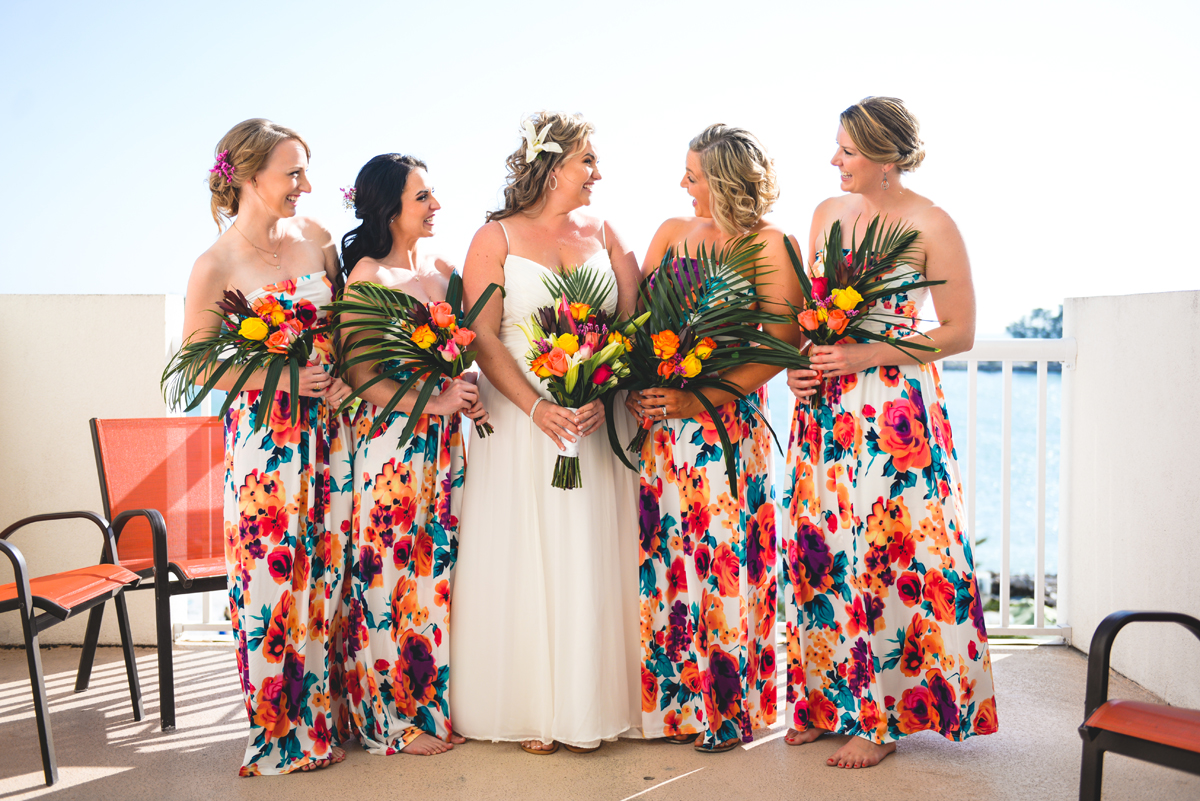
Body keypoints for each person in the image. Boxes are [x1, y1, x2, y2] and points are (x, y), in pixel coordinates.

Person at [781, 97, 997, 769]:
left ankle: (880, 718)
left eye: (846, 149)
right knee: (821, 548)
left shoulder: (932, 222)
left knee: (884, 551)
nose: (834, 160)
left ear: (883, 155)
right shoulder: (825, 214)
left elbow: (957, 331)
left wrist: (866, 354)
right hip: (824, 408)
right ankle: (825, 702)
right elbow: (809, 314)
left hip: (892, 409)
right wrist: (799, 367)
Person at [450, 111, 642, 755]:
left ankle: (592, 700)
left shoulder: (607, 230)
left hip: (594, 417)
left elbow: (632, 326)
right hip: (522, 417)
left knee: (591, 546)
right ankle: (534, 705)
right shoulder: (494, 237)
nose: (597, 172)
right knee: (527, 550)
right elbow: (481, 336)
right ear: (553, 165)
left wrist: (602, 388)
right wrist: (538, 408)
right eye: (588, 160)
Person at [182, 119, 353, 775]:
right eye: (292, 173)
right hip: (264, 444)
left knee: (322, 574)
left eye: (305, 171)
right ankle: (275, 735)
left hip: (325, 435)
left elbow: (335, 329)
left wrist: (332, 377)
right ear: (250, 177)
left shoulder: (315, 240)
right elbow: (199, 367)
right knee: (269, 583)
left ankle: (317, 726)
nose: (305, 186)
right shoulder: (215, 265)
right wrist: (282, 375)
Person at [630, 124, 804, 752]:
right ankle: (676, 707)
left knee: (725, 561)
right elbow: (638, 325)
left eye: (693, 174)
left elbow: (779, 345)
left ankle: (730, 710)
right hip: (661, 434)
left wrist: (698, 398)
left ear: (726, 180)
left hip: (726, 430)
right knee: (669, 561)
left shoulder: (772, 246)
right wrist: (634, 384)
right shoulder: (672, 234)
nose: (683, 184)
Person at [338, 154, 489, 755]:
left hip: (447, 447)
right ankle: (387, 723)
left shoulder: (447, 271)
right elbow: (362, 375)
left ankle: (430, 706)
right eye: (422, 197)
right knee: (388, 577)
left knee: (436, 575)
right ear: (388, 207)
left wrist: (468, 392)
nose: (435, 207)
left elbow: (466, 354)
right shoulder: (368, 278)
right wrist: (438, 398)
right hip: (391, 447)